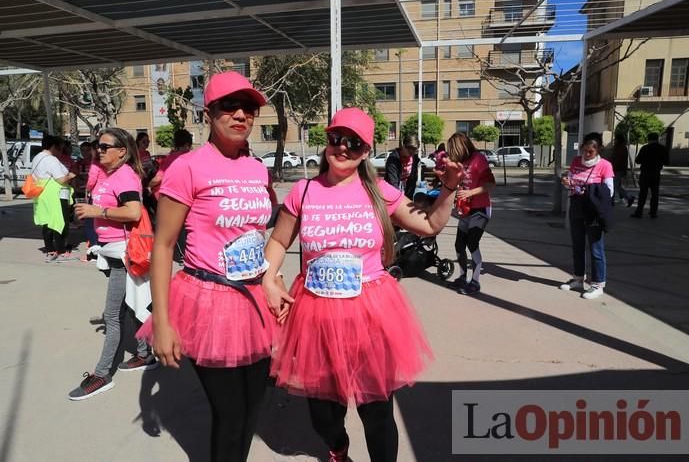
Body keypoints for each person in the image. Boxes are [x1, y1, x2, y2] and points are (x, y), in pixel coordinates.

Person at [263, 107, 463, 462]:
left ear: (367, 151)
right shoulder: (304, 191)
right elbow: (278, 242)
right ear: (327, 141)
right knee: (324, 413)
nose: (343, 148)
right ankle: (337, 446)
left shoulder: (379, 192)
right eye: (337, 139)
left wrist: (448, 188)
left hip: (371, 310)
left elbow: (430, 225)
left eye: (354, 143)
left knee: (376, 410)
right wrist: (269, 276)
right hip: (316, 312)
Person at [136, 72, 280, 462]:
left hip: (253, 301)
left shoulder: (256, 168)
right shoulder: (188, 167)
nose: (240, 114)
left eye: (248, 107)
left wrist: (270, 277)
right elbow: (163, 247)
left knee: (252, 410)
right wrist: (163, 323)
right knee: (230, 414)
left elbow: (255, 236)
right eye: (229, 106)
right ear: (209, 112)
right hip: (208, 301)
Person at [69, 128, 156, 400]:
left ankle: (102, 374)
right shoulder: (108, 175)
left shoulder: (125, 175)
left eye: (106, 146)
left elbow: (132, 211)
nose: (99, 150)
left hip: (125, 255)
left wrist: (98, 211)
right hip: (113, 251)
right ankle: (144, 354)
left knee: (112, 315)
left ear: (122, 151)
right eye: (98, 145)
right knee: (130, 306)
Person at [560, 132, 615, 300]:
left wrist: (590, 191)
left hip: (593, 211)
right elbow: (570, 177)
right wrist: (566, 181)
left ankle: (598, 284)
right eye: (584, 150)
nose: (586, 154)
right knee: (577, 245)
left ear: (598, 150)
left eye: (590, 151)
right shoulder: (576, 161)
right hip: (576, 207)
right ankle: (578, 278)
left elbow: (609, 191)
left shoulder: (605, 165)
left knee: (596, 248)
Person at [448, 133, 495, 295]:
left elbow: (490, 184)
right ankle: (462, 277)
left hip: (481, 208)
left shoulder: (478, 159)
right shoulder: (463, 162)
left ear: (462, 146)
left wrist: (469, 193)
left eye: (453, 149)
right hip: (466, 210)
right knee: (459, 244)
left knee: (472, 243)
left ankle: (475, 281)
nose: (453, 153)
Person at [31, 135, 76, 262]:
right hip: (55, 194)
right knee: (59, 220)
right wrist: (71, 175)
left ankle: (49, 248)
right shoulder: (51, 160)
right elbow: (61, 179)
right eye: (60, 149)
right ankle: (61, 249)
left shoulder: (37, 158)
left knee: (47, 221)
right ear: (53, 147)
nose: (61, 152)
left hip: (42, 193)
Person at [631, 132, 669, 219]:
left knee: (643, 193)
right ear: (657, 138)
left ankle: (639, 212)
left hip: (645, 173)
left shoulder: (645, 148)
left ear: (648, 139)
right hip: (656, 173)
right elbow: (667, 161)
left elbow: (638, 160)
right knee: (655, 194)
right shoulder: (662, 148)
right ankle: (653, 212)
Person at [148, 128, 193, 199]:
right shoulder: (193, 158)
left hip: (168, 197)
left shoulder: (170, 159)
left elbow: (158, 178)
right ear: (187, 144)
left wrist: (149, 186)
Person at [609, 134, 634, 207]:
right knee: (615, 185)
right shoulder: (618, 148)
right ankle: (612, 201)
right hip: (617, 169)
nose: (614, 141)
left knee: (615, 186)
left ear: (618, 140)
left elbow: (618, 160)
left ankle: (629, 197)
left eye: (615, 139)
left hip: (617, 170)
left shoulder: (621, 148)